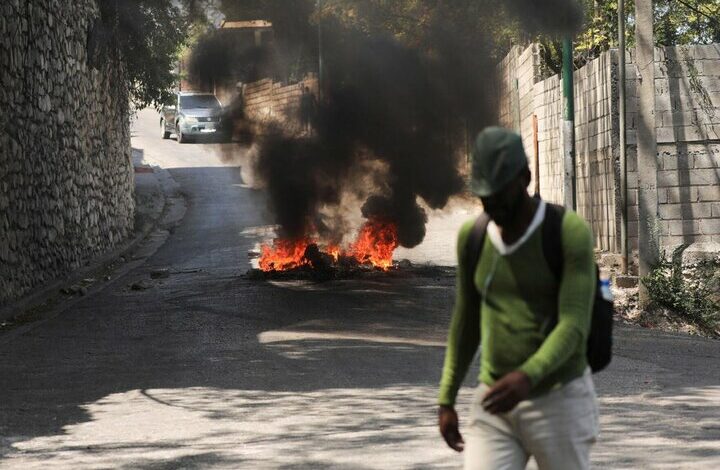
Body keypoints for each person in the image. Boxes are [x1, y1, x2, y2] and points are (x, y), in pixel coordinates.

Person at [438, 127, 599, 469]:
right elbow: (466, 322)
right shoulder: (474, 237)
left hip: (560, 399)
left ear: (525, 178)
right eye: (485, 197)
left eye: (500, 195)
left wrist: (528, 375)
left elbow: (574, 324)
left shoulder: (567, 232)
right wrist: (447, 397)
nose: (493, 207)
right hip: (495, 402)